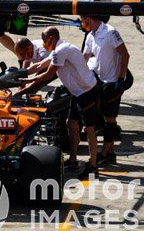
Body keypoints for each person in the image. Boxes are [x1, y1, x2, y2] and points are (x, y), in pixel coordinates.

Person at [22, 28, 100, 178]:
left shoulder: (60, 51)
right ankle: (73, 159)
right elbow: (39, 66)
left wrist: (26, 81)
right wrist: (21, 74)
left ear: (51, 38)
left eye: (44, 40)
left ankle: (93, 166)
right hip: (77, 92)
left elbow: (47, 74)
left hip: (87, 92)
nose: (43, 44)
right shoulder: (59, 48)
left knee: (89, 129)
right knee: (71, 124)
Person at [82, 14, 131, 165]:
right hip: (100, 80)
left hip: (113, 81)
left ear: (90, 19)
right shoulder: (91, 35)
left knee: (110, 118)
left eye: (83, 20)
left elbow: (125, 55)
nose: (82, 24)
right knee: (105, 117)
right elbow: (85, 57)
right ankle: (111, 152)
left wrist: (121, 78)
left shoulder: (110, 32)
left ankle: (105, 152)